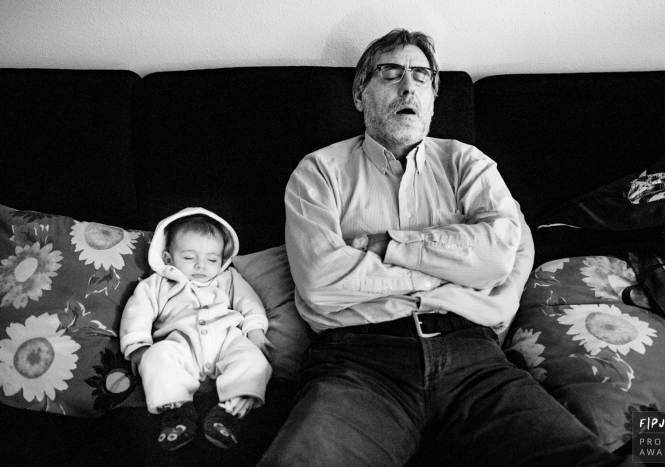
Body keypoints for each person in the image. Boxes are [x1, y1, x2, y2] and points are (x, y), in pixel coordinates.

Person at [257, 29, 631, 466]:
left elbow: (497, 257)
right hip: (359, 362)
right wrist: (455, 265)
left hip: (474, 359)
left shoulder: (467, 162)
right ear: (360, 93)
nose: (408, 85)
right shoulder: (318, 171)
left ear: (433, 98)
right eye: (390, 72)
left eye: (421, 76)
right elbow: (320, 282)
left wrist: (385, 247)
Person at [120, 207, 273, 451]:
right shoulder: (159, 283)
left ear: (222, 260)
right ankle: (179, 413)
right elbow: (137, 310)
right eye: (190, 258)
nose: (201, 266)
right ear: (169, 258)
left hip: (227, 341)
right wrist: (138, 345)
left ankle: (228, 414)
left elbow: (249, 302)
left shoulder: (228, 278)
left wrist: (255, 330)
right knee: (156, 358)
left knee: (255, 362)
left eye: (212, 259)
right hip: (181, 344)